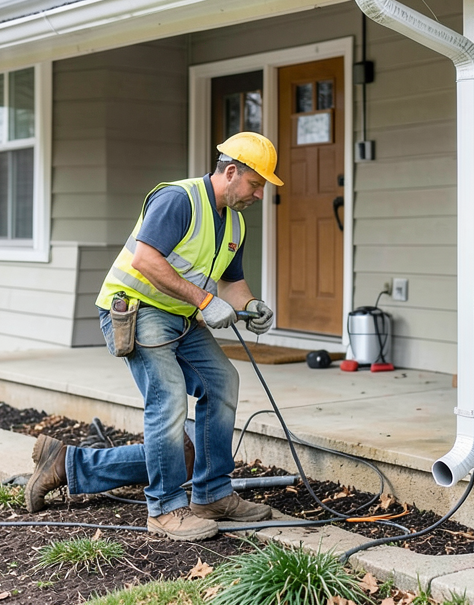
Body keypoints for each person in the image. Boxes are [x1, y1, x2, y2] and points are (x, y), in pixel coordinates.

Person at [24, 132, 283, 542]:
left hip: (180, 317)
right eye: (255, 184)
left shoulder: (234, 222)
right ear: (231, 172)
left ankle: (212, 494)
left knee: (223, 382)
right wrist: (203, 301)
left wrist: (251, 305)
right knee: (168, 397)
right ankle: (163, 508)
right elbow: (145, 259)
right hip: (137, 309)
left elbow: (232, 283)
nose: (258, 194)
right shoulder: (179, 199)